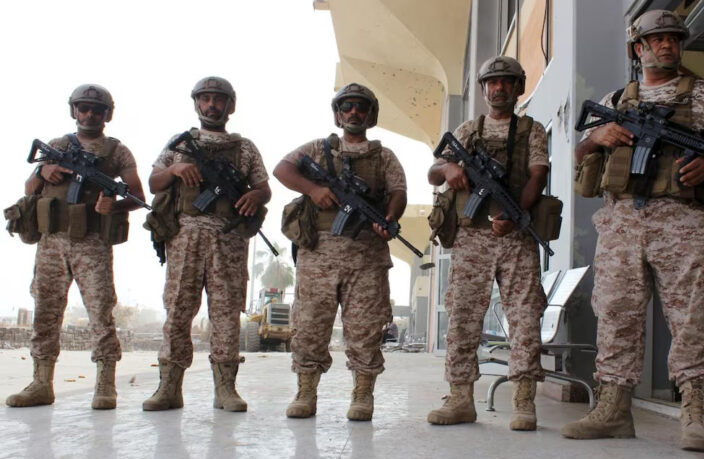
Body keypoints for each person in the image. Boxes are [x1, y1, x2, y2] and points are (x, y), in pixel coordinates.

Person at [561, 10, 704, 452]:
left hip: (684, 221)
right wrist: (597, 137)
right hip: (622, 221)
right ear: (639, 48)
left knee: (692, 314)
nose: (667, 45)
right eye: (658, 39)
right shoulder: (616, 99)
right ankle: (613, 409)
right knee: (616, 313)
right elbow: (581, 154)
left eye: (673, 39)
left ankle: (696, 413)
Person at [426, 56, 549, 430]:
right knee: (463, 316)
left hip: (515, 236)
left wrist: (515, 213)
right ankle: (460, 398)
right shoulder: (467, 130)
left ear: (518, 88)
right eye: (492, 82)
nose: (499, 88)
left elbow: (537, 175)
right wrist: (449, 167)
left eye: (506, 82)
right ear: (483, 89)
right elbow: (433, 173)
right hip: (471, 237)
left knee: (525, 317)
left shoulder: (531, 130)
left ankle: (524, 401)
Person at [6, 84, 146, 410]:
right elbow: (30, 188)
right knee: (45, 310)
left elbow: (138, 197)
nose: (90, 114)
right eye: (84, 108)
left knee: (101, 312)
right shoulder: (57, 146)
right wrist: (43, 170)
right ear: (74, 110)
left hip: (92, 244)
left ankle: (106, 384)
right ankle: (41, 383)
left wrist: (115, 206)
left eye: (97, 110)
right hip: (52, 242)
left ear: (107, 115)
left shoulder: (118, 152)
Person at [274, 83, 408, 421]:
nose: (353, 112)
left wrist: (389, 218)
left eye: (361, 107)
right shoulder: (319, 149)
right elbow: (282, 169)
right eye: (346, 106)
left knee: (366, 329)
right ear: (337, 114)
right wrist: (313, 189)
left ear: (370, 115)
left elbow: (398, 192)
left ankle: (363, 394)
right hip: (318, 254)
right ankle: (306, 392)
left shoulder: (384, 156)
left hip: (366, 256)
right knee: (310, 326)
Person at [142, 76, 271, 412]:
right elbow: (154, 182)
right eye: (206, 99)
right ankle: (169, 388)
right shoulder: (179, 144)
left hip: (228, 239)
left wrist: (255, 196)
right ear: (197, 103)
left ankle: (225, 389)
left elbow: (264, 188)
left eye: (218, 99)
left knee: (226, 313)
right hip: (184, 236)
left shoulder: (244, 148)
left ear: (230, 105)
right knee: (178, 310)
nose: (212, 105)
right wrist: (176, 169)